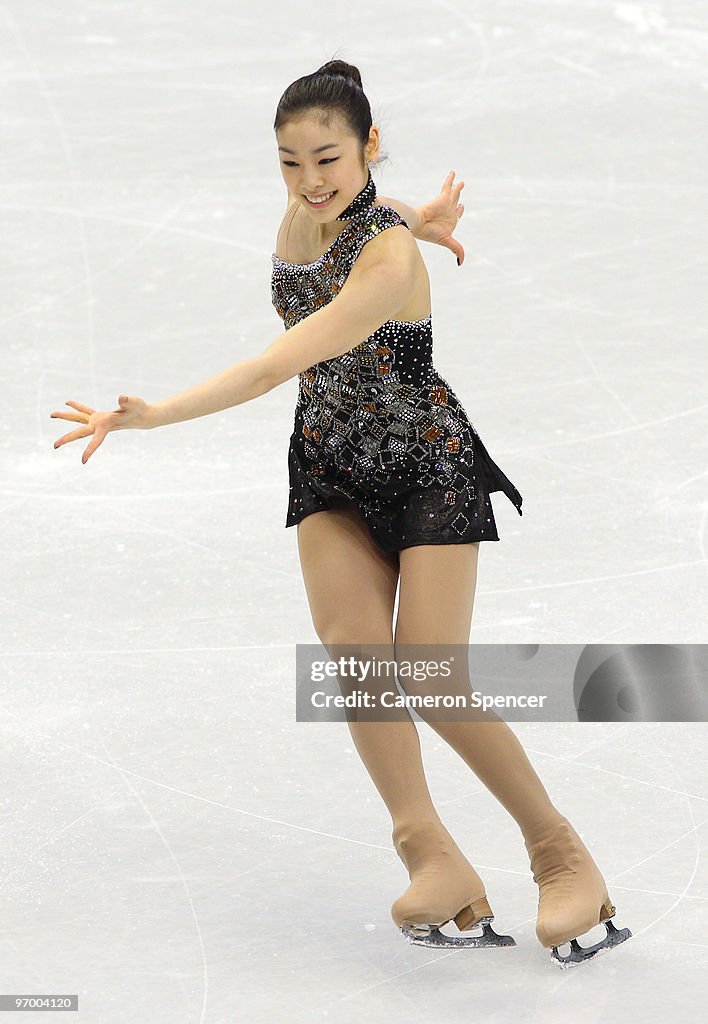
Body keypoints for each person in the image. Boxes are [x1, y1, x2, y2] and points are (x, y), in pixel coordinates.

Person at [50, 58, 631, 967]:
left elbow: (277, 362)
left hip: (424, 466)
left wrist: (152, 414)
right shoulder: (322, 216)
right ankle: (431, 854)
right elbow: (358, 217)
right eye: (289, 162)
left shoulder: (390, 256)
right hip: (329, 465)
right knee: (358, 658)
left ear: (368, 148)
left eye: (326, 157)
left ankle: (563, 857)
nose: (309, 181)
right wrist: (413, 212)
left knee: (430, 673)